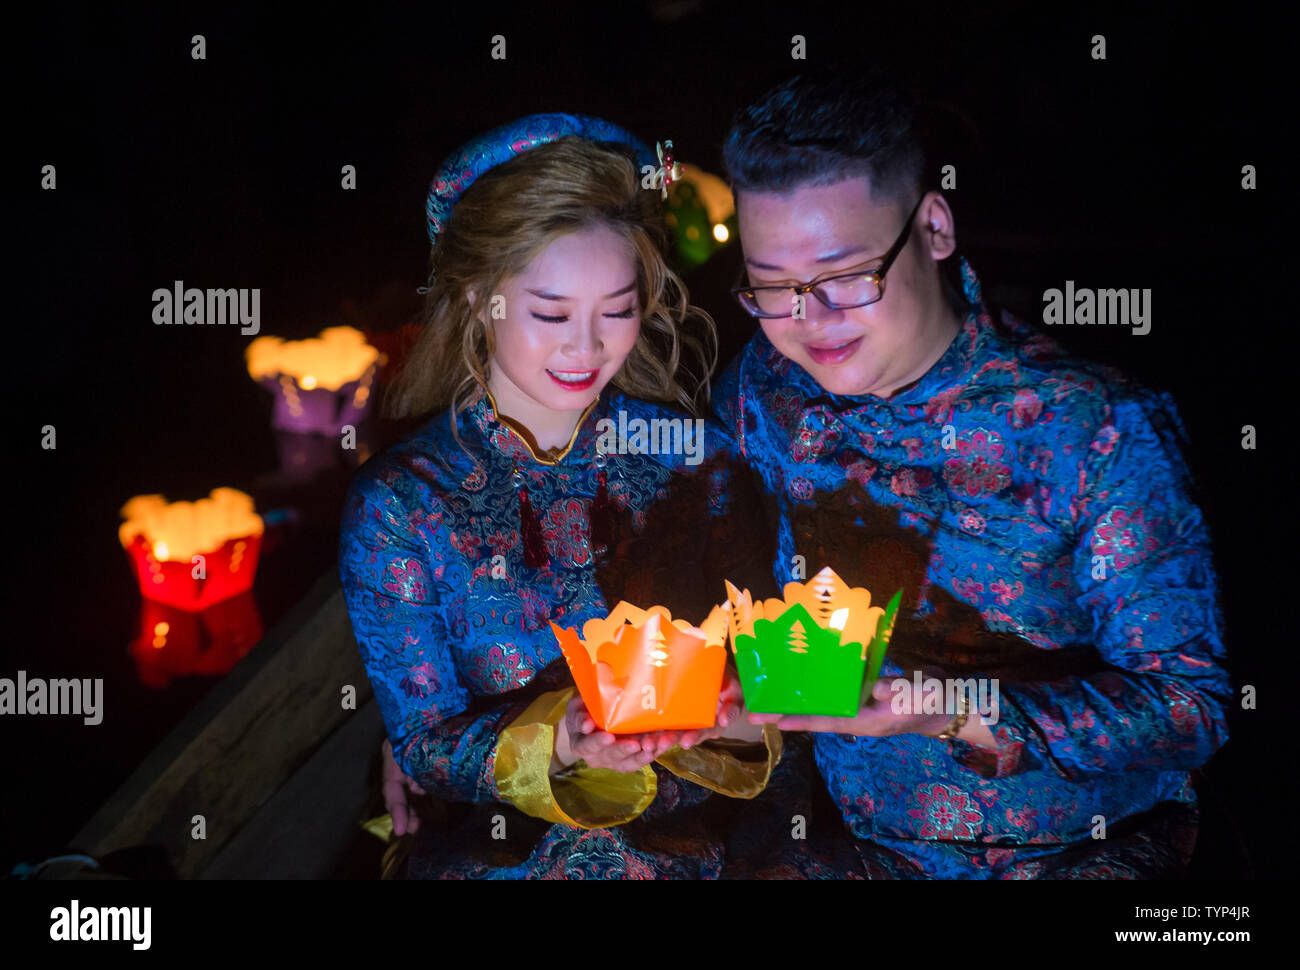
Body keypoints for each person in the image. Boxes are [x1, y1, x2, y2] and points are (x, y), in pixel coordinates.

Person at [713, 70, 1231, 878]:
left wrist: (947, 709)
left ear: (934, 226)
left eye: (846, 275)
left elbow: (1189, 709)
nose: (808, 321)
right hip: (851, 848)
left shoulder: (1092, 427)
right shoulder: (763, 390)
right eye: (773, 287)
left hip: (1079, 855)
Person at [341, 114, 856, 878]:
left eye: (616, 310)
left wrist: (748, 716)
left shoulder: (700, 456)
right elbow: (425, 741)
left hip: (720, 835)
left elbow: (782, 680)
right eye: (552, 314)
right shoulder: (404, 503)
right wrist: (562, 742)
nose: (586, 348)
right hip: (517, 848)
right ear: (482, 298)